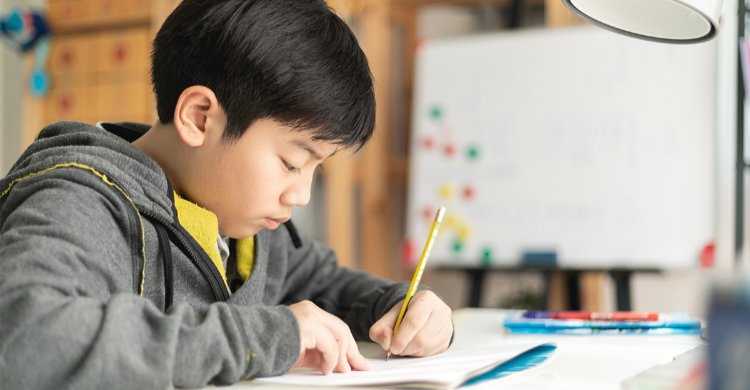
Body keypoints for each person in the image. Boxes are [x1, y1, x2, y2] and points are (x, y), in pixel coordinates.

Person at [0, 0, 453, 388]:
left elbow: (329, 286)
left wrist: (404, 307)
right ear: (199, 118)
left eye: (317, 168)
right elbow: (27, 340)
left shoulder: (245, 226)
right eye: (292, 163)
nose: (302, 195)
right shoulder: (77, 200)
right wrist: (262, 336)